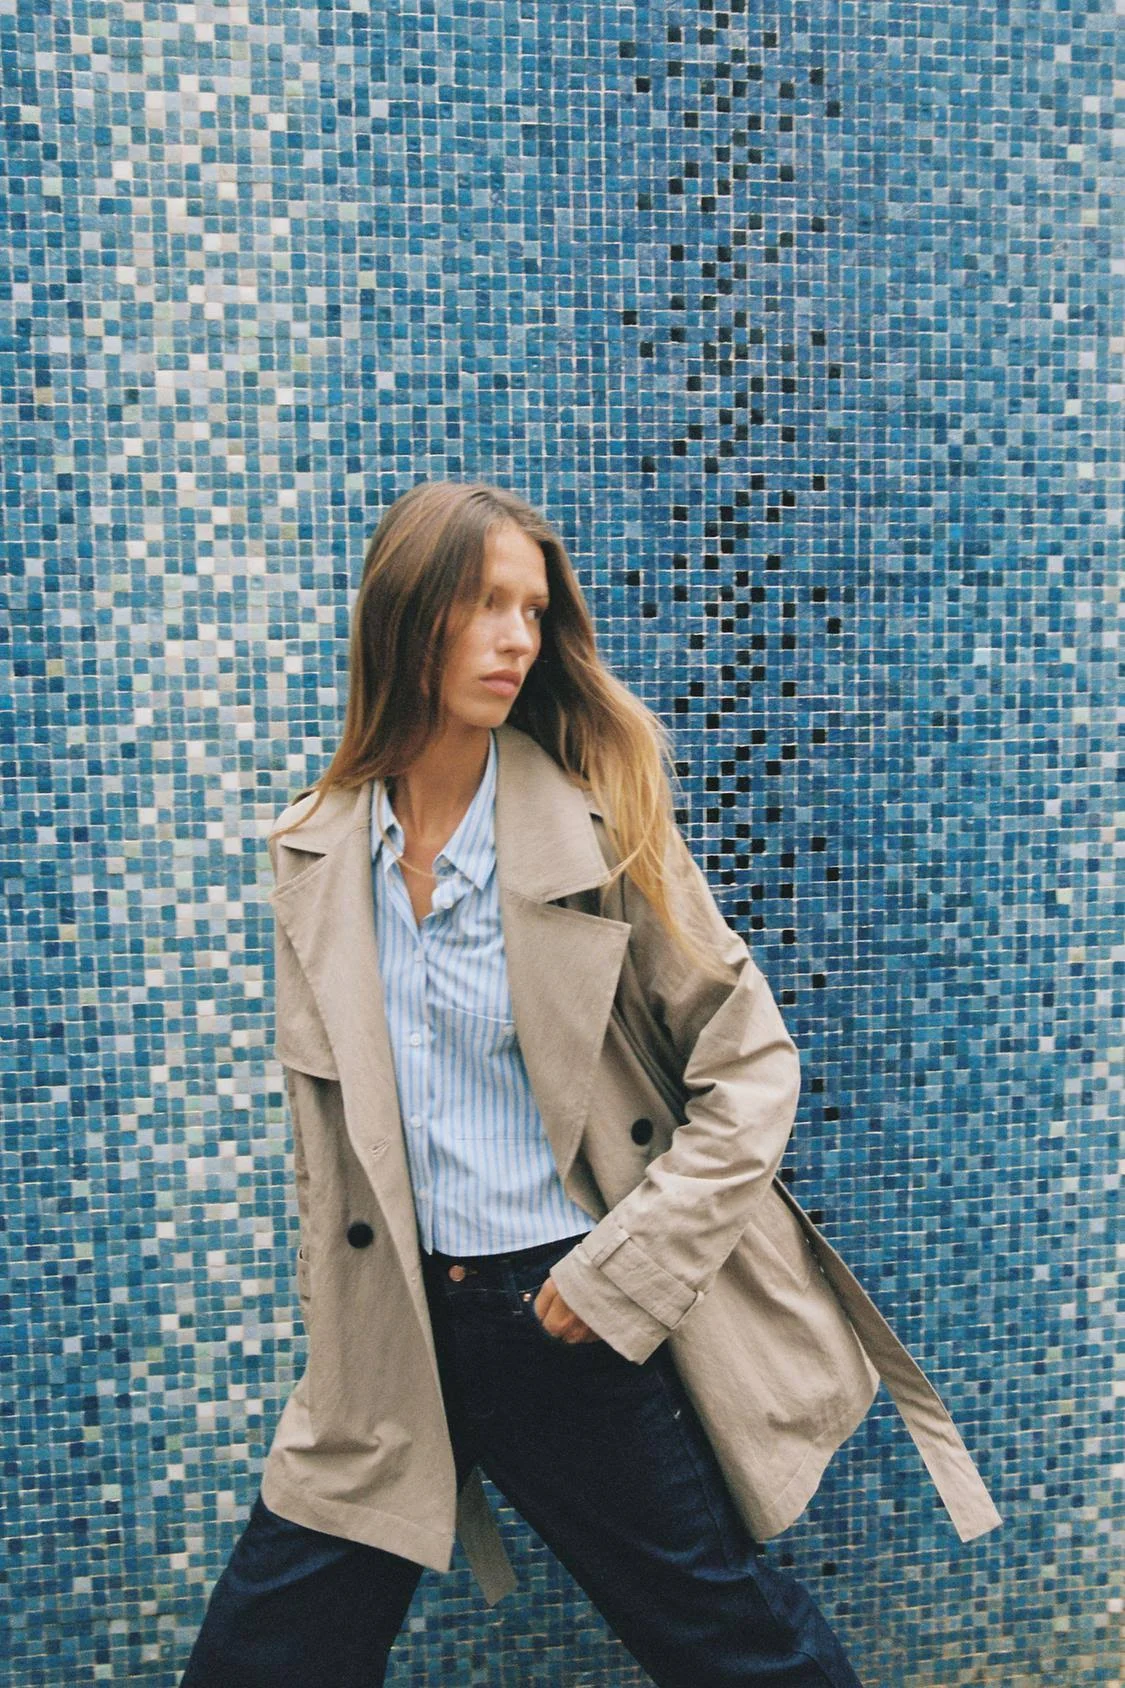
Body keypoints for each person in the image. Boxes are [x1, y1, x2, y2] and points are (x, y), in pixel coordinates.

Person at [180, 479, 999, 1688]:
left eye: (533, 609)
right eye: (484, 602)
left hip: (561, 1317)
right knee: (263, 1657)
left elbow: (752, 1065)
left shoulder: (597, 828)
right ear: (405, 614)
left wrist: (620, 1278)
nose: (516, 637)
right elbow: (331, 1139)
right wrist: (335, 1317)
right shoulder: (315, 846)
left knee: (734, 1647)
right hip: (390, 1337)